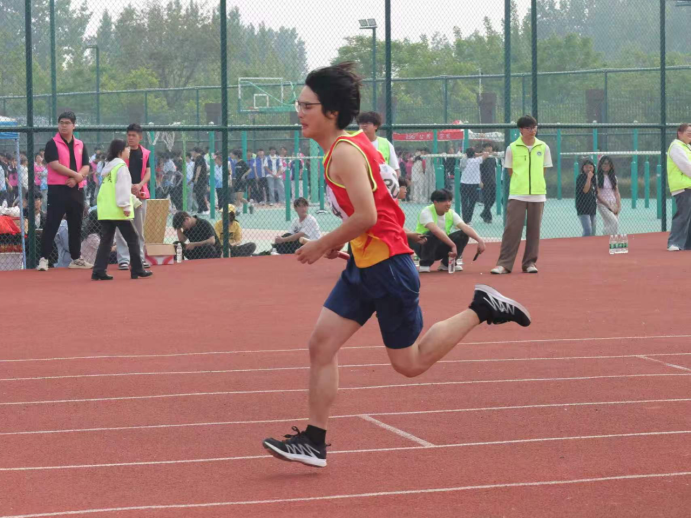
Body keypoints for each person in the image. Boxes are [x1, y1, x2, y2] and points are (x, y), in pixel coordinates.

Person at [262, 62, 531, 469]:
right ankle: (314, 441)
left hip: (388, 268)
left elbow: (368, 215)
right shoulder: (346, 147)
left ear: (331, 111)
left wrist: (323, 243)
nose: (298, 112)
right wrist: (345, 244)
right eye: (298, 104)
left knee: (409, 363)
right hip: (365, 263)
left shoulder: (345, 153)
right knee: (321, 344)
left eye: (306, 106)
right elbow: (378, 210)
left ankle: (482, 308)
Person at [491, 115, 553, 275]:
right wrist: (522, 184)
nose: (532, 130)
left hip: (538, 195)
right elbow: (510, 171)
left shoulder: (543, 147)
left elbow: (543, 169)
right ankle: (504, 264)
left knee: (534, 231)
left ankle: (530, 263)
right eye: (528, 128)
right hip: (517, 195)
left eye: (534, 127)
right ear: (521, 130)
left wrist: (535, 184)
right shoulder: (512, 148)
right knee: (512, 230)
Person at [37, 111, 93, 272]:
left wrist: (76, 179)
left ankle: (76, 259)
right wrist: (76, 175)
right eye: (61, 122)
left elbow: (86, 166)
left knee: (76, 225)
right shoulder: (52, 144)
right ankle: (43, 259)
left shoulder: (80, 144)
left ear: (74, 125)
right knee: (52, 223)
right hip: (57, 190)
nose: (63, 125)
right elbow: (54, 165)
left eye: (67, 123)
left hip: (76, 190)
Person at [92, 140, 153, 281]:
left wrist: (134, 201)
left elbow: (115, 189)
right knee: (133, 238)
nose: (129, 150)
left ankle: (98, 271)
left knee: (106, 241)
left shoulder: (109, 168)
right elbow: (122, 189)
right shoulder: (122, 167)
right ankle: (137, 269)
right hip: (117, 210)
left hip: (106, 210)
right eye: (127, 148)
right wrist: (126, 206)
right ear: (121, 151)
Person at [412, 189, 487, 273]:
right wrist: (453, 245)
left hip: (440, 247)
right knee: (432, 233)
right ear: (435, 202)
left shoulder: (451, 213)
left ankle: (446, 263)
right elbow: (435, 231)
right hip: (423, 247)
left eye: (449, 201)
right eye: (444, 201)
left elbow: (465, 227)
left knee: (463, 234)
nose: (448, 204)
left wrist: (479, 240)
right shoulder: (426, 212)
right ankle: (425, 264)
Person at [113, 124, 151, 271]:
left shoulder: (145, 153)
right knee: (122, 227)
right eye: (128, 135)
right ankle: (123, 259)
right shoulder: (121, 153)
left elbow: (148, 172)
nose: (130, 138)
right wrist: (128, 187)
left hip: (140, 194)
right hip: (123, 194)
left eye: (133, 135)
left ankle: (140, 259)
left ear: (140, 137)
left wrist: (139, 185)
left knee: (139, 229)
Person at [667, 122, 691, 252]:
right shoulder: (676, 146)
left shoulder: (687, 147)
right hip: (682, 186)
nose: (690, 136)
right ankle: (674, 242)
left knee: (688, 216)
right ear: (679, 133)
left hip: (688, 185)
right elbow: (686, 166)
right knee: (683, 215)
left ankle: (687, 243)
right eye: (689, 133)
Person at [356, 111, 400, 176]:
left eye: (368, 123)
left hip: (381, 181)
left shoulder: (386, 144)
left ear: (376, 126)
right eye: (362, 123)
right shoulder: (353, 143)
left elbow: (395, 169)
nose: (364, 125)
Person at [596, 156, 621, 236]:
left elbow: (616, 193)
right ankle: (606, 238)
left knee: (610, 224)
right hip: (602, 204)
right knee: (614, 222)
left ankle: (610, 240)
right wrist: (608, 205)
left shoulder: (614, 178)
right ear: (600, 165)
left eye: (608, 164)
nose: (606, 165)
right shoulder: (597, 178)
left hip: (613, 203)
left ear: (611, 166)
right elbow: (598, 194)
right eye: (604, 164)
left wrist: (618, 206)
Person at [460, 148, 483, 224]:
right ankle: (469, 219)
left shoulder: (463, 160)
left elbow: (461, 167)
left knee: (464, 202)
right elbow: (486, 154)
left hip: (464, 183)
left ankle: (465, 219)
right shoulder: (477, 160)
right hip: (474, 184)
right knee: (472, 202)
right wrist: (478, 154)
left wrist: (468, 155)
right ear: (474, 154)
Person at [576, 160, 598, 237]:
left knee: (593, 231)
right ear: (583, 168)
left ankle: (592, 244)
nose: (588, 169)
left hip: (592, 207)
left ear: (593, 168)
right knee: (588, 230)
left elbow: (596, 192)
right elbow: (585, 190)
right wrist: (588, 178)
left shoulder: (594, 179)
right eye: (586, 167)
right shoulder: (581, 177)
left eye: (590, 167)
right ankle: (583, 243)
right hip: (583, 208)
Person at [480, 143, 498, 224]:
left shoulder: (493, 158)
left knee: (493, 199)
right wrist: (480, 181)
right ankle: (488, 217)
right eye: (487, 147)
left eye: (490, 147)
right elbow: (478, 170)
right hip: (485, 182)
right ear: (484, 149)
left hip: (492, 181)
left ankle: (484, 213)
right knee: (487, 200)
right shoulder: (482, 158)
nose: (489, 149)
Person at [191, 147, 209, 214]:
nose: (191, 153)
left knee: (200, 194)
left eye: (192, 152)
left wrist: (196, 178)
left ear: (195, 152)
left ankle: (205, 209)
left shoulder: (199, 158)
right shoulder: (198, 158)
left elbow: (199, 168)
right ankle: (201, 209)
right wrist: (192, 179)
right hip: (199, 179)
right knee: (197, 194)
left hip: (200, 180)